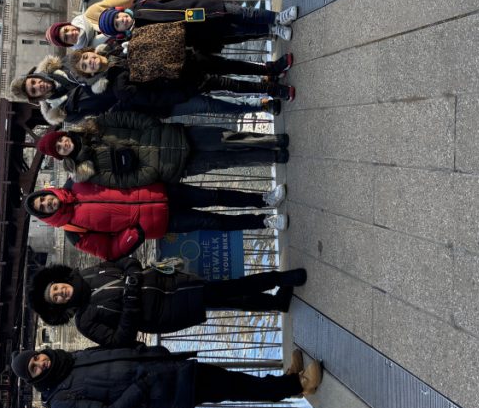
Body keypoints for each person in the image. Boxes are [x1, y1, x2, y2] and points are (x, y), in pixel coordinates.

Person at [11, 343, 322, 408]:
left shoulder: (70, 359)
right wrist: (142, 386)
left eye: (36, 358)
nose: (40, 364)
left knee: (231, 379)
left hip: (166, 369)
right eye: (34, 369)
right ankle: (300, 384)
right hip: (164, 390)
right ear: (35, 378)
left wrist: (142, 350)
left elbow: (113, 353)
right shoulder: (62, 402)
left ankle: (285, 383)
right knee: (233, 386)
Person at [29, 260, 308, 346]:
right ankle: (280, 278)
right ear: (59, 307)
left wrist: (133, 275)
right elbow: (120, 340)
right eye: (56, 298)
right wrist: (131, 298)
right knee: (227, 290)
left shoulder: (86, 273)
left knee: (226, 296)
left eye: (56, 288)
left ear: (58, 280)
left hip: (171, 282)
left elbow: (126, 262)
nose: (60, 293)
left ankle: (276, 303)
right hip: (166, 312)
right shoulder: (84, 322)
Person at [23, 180, 288, 261]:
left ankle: (264, 199)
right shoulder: (73, 231)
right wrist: (133, 235)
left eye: (44, 199)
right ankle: (264, 222)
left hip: (159, 191)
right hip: (158, 223)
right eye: (43, 208)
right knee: (212, 222)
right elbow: (109, 251)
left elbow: (116, 173)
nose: (47, 203)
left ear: (47, 193)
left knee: (213, 194)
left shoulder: (77, 183)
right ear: (46, 216)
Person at [35, 111, 290, 188]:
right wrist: (153, 171)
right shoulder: (88, 171)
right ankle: (272, 156)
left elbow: (129, 119)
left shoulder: (96, 125)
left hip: (172, 136)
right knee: (225, 162)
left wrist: (151, 125)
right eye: (59, 149)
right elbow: (125, 182)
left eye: (61, 140)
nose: (64, 145)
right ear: (61, 156)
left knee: (226, 138)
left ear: (64, 135)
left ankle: (270, 140)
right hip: (173, 166)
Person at [10, 54, 283, 125]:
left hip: (149, 73)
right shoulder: (66, 113)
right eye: (34, 90)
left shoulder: (68, 67)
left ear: (38, 75)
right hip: (150, 102)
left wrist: (121, 78)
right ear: (37, 98)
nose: (38, 86)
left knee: (216, 75)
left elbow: (104, 57)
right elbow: (106, 116)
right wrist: (123, 98)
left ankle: (265, 79)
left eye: (34, 81)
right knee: (209, 104)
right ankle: (257, 104)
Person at [66, 45, 295, 104]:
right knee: (230, 84)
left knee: (229, 64)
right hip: (186, 81)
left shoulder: (115, 47)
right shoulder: (118, 85)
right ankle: (272, 90)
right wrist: (186, 92)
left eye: (86, 58)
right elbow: (155, 98)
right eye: (86, 67)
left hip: (187, 60)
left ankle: (270, 69)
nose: (90, 62)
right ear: (90, 74)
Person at [84, 0, 298, 44]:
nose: (122, 20)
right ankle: (273, 29)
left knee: (243, 13)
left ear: (120, 11)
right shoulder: (139, 36)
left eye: (118, 17)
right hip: (199, 32)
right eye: (118, 24)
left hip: (201, 8)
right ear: (120, 31)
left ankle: (277, 17)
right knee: (239, 30)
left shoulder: (143, 2)